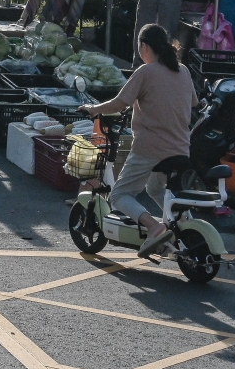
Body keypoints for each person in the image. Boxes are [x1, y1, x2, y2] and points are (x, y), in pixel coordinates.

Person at [79, 23, 199, 258]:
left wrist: (93, 109)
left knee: (119, 195)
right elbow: (193, 102)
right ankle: (187, 226)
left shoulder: (146, 71)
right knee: (155, 188)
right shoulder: (183, 70)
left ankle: (155, 228)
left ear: (144, 46)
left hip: (150, 148)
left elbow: (118, 103)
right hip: (181, 148)